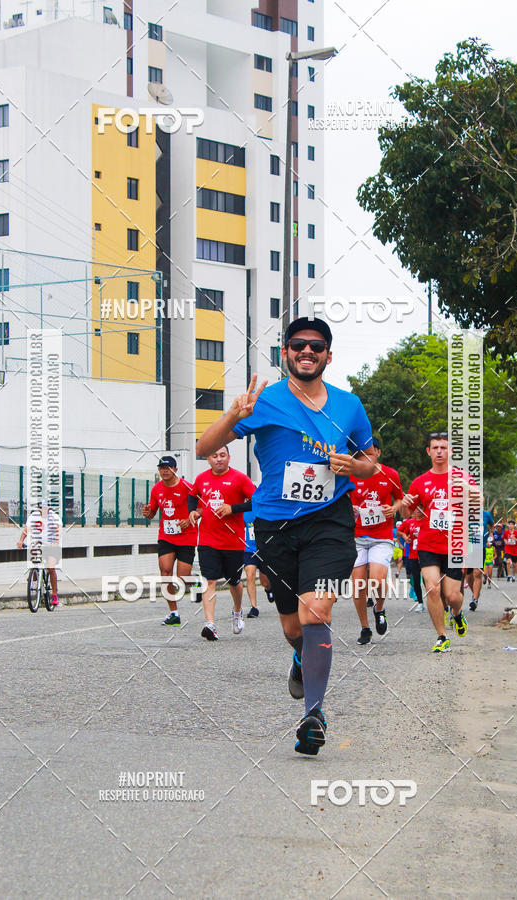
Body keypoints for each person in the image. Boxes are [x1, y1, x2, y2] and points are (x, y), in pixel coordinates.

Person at [195, 317, 374, 755]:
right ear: (287, 353)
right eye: (298, 345)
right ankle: (300, 655)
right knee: (294, 625)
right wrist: (234, 415)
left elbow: (371, 458)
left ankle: (314, 713)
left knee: (317, 611)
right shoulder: (265, 401)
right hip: (276, 525)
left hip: (332, 523)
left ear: (329, 355)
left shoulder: (350, 405)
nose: (307, 351)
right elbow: (203, 448)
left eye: (316, 346)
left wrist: (358, 467)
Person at [402, 432, 478, 653]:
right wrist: (407, 502)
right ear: (428, 451)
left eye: (443, 448)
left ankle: (457, 613)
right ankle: (442, 636)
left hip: (454, 544)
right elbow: (411, 512)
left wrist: (469, 491)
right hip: (428, 543)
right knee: (432, 589)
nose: (439, 452)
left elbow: (477, 501)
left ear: (450, 451)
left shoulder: (461, 477)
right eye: (435, 448)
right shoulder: (420, 482)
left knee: (453, 596)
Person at [188, 446, 255, 641]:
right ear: (208, 459)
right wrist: (193, 510)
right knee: (209, 580)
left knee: (234, 581)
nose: (219, 459)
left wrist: (233, 508)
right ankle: (210, 624)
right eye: (214, 456)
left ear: (229, 457)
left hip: (233, 541)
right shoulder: (201, 478)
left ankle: (237, 611)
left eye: (222, 455)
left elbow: (256, 500)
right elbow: (193, 496)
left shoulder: (240, 478)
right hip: (207, 539)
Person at [349, 437, 403, 643]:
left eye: (369, 452)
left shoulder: (390, 474)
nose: (364, 456)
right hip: (357, 536)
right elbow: (344, 498)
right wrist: (351, 509)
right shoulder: (352, 475)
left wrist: (394, 508)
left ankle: (379, 609)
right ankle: (365, 628)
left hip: (381, 536)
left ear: (378, 453)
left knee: (378, 580)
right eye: (360, 453)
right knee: (358, 585)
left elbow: (400, 497)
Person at [142, 456, 198, 625]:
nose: (165, 471)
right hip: (166, 536)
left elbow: (201, 506)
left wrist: (189, 519)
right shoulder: (156, 489)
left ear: (176, 470)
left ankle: (195, 581)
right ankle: (174, 613)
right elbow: (152, 512)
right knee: (165, 573)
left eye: (168, 467)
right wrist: (147, 513)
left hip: (187, 536)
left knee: (182, 579)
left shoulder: (188, 487)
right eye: (162, 468)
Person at [17, 501, 62, 606]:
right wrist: (21, 541)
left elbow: (57, 531)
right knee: (34, 551)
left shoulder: (55, 518)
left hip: (51, 545)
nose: (43, 511)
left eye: (46, 509)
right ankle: (35, 573)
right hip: (39, 544)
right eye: (41, 509)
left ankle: (54, 595)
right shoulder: (34, 516)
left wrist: (55, 542)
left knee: (51, 568)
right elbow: (27, 529)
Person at [242, 509, 273, 618]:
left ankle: (269, 589)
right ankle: (254, 608)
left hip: (263, 549)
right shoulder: (243, 510)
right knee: (250, 575)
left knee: (265, 582)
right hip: (249, 549)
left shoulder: (262, 508)